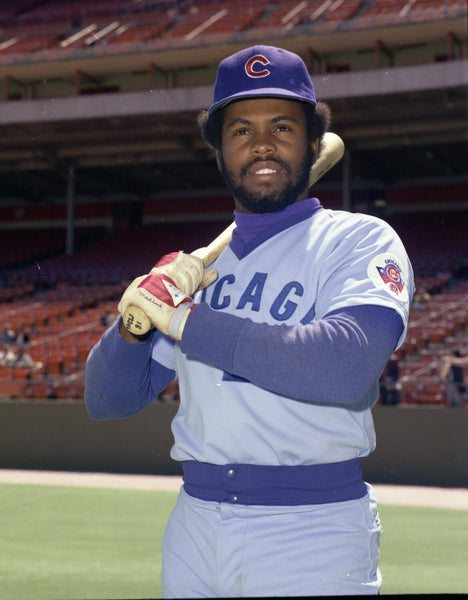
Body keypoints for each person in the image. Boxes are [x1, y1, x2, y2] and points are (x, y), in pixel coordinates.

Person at [85, 45, 414, 597]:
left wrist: (183, 319)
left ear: (313, 145)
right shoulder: (200, 273)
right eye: (241, 131)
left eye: (282, 127)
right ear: (219, 153)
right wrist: (134, 324)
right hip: (194, 525)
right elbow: (108, 400)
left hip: (313, 529)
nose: (262, 144)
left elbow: (345, 366)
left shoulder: (357, 239)